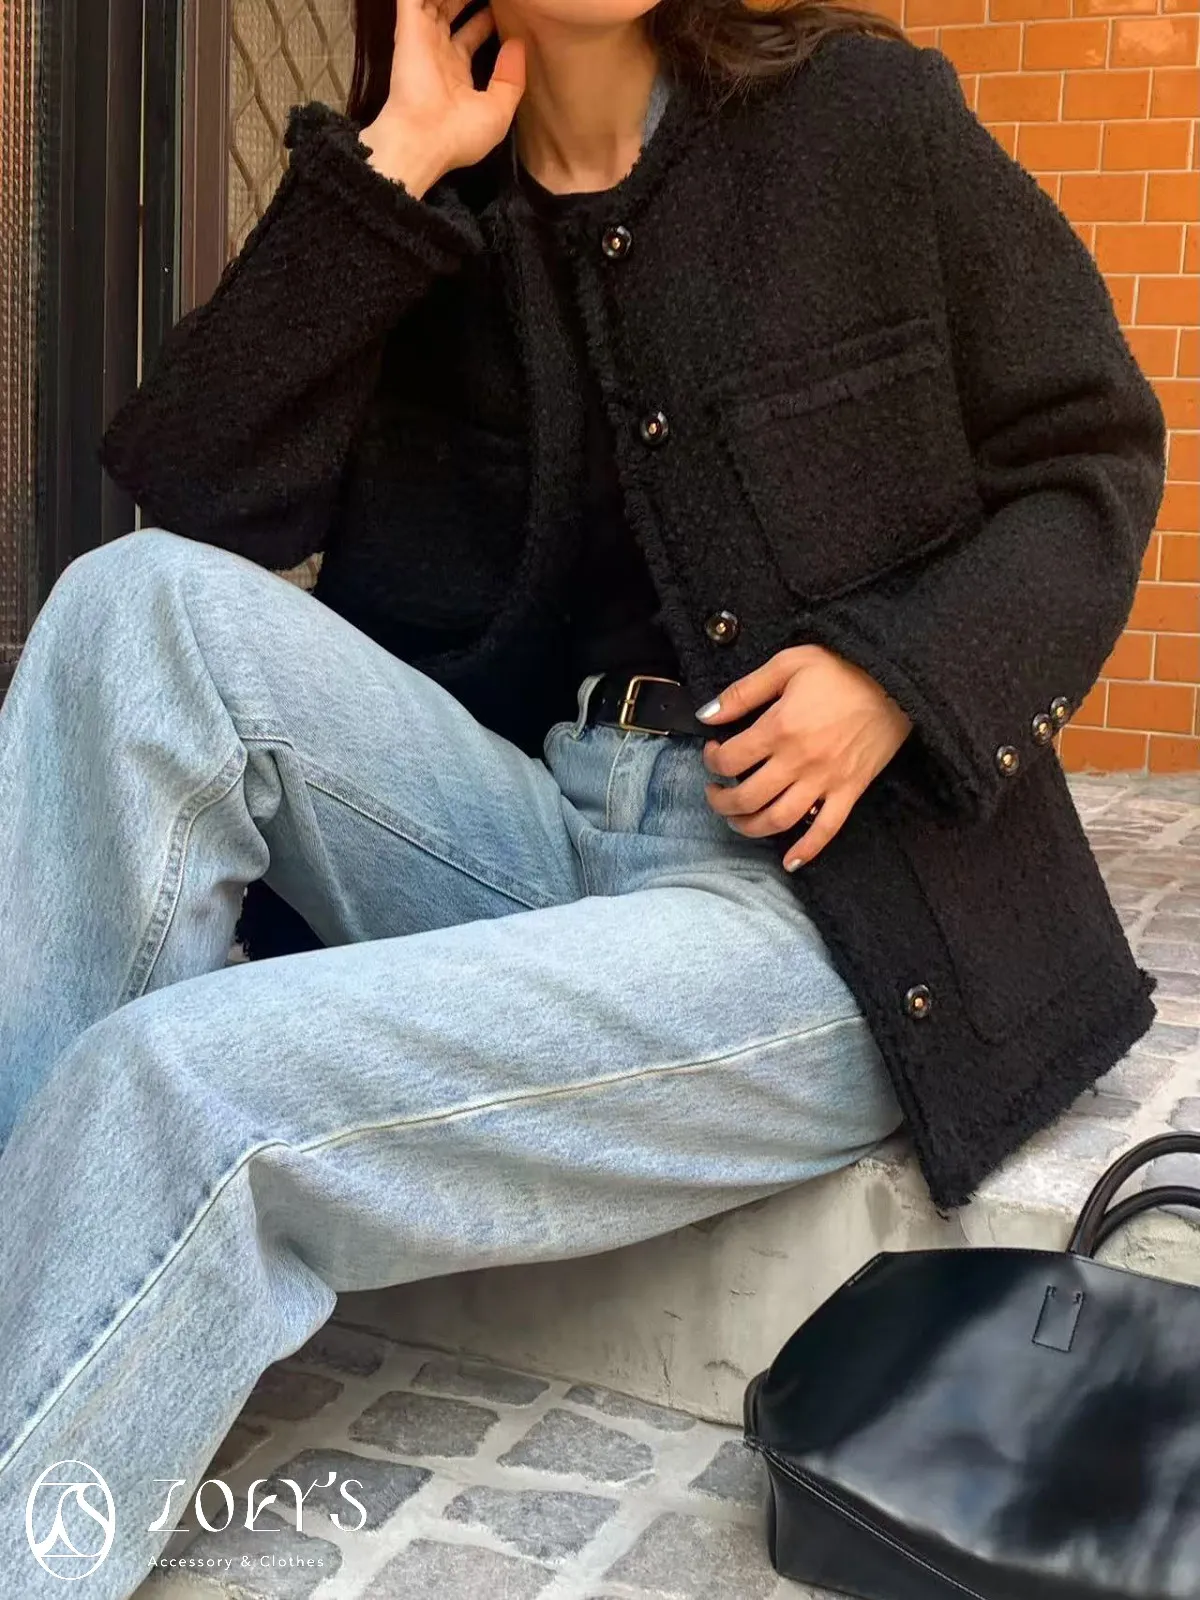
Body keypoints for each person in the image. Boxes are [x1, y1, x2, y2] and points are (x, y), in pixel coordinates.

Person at [0, 0, 1166, 1588]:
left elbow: (1092, 457)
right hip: (536, 825)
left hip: (826, 909)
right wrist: (398, 161)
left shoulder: (861, 118)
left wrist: (897, 679)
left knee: (184, 1085)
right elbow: (198, 486)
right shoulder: (440, 210)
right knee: (127, 611)